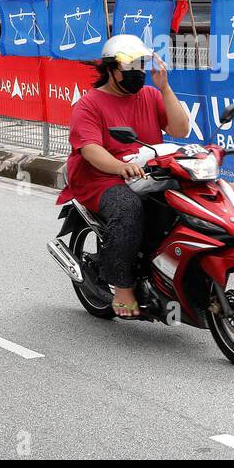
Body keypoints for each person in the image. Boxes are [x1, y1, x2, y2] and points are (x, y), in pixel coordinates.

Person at [57, 34, 190, 318]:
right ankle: (122, 286)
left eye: (140, 67)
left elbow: (180, 131)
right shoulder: (89, 104)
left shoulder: (151, 96)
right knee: (128, 208)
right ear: (111, 68)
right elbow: (90, 150)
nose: (137, 74)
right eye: (130, 68)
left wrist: (165, 89)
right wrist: (120, 167)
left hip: (148, 173)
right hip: (101, 179)